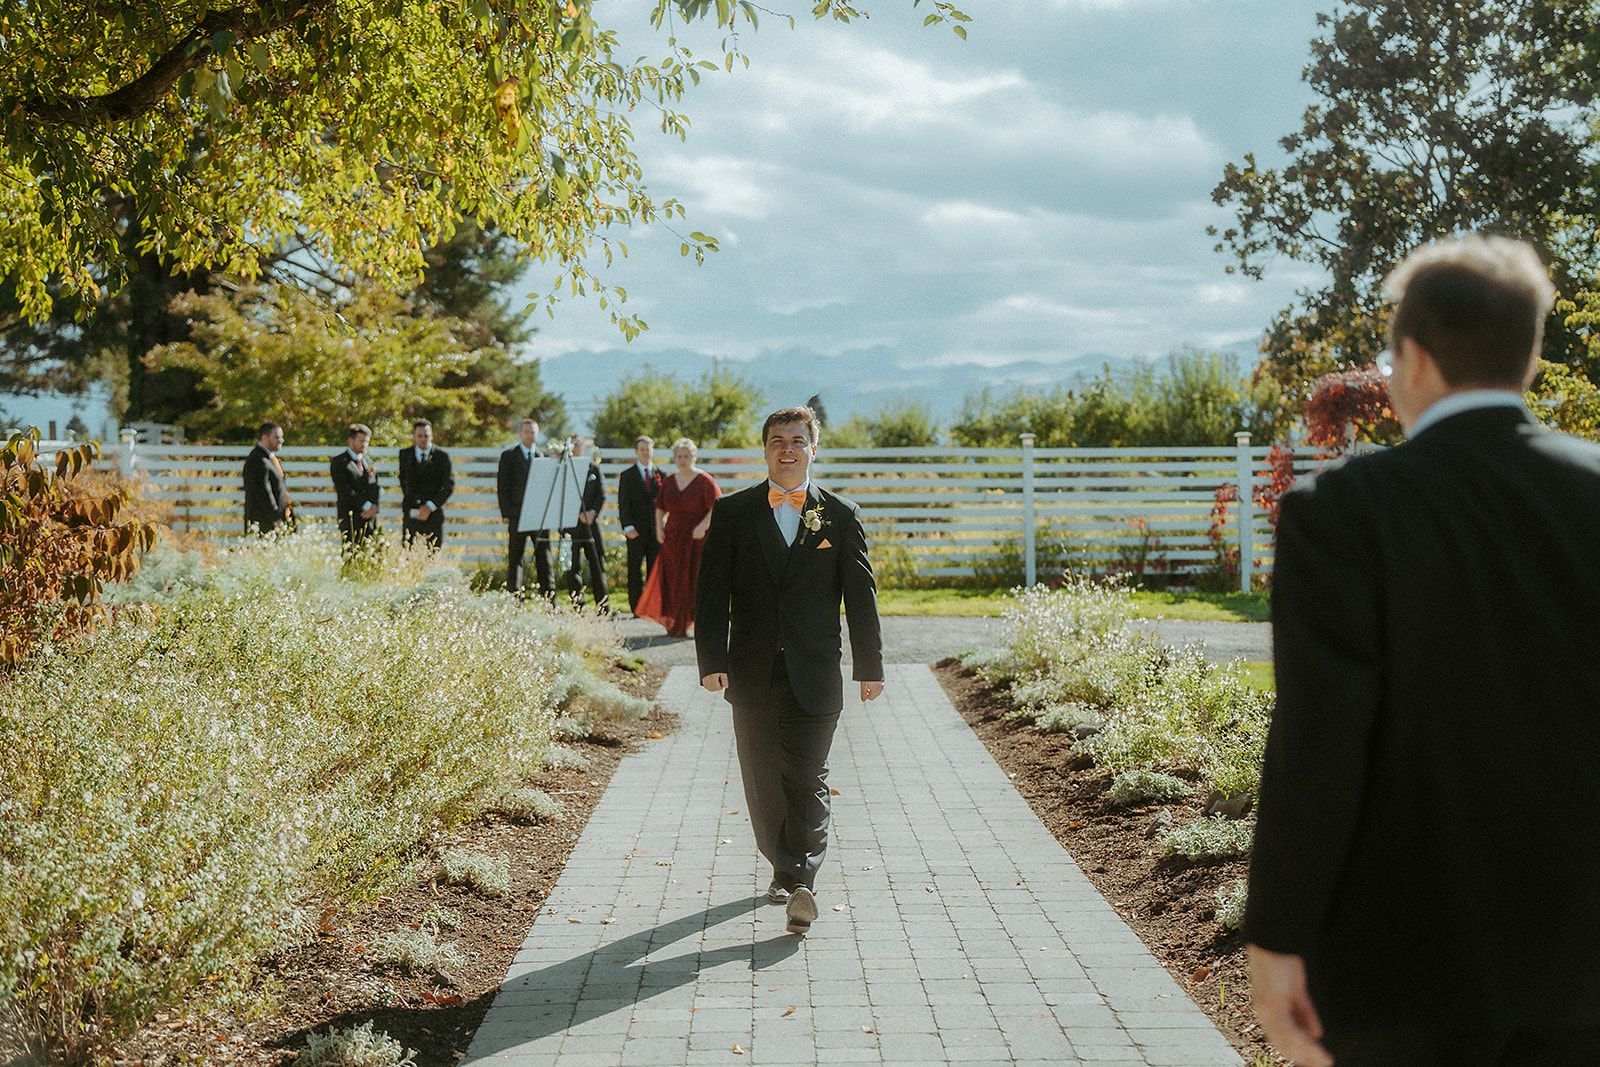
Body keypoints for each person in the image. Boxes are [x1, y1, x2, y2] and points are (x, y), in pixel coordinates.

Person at [1246, 235, 1600, 1067]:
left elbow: (1319, 743)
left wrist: (1277, 936)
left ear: (1411, 358)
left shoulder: (1340, 513)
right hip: (1585, 964)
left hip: (1398, 970)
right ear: (1530, 359)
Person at [694, 407, 884, 936]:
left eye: (798, 440)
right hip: (751, 671)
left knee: (808, 775)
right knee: (762, 779)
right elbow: (711, 594)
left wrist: (870, 667)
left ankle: (802, 880)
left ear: (813, 449)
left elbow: (861, 597)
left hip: (815, 672)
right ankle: (785, 867)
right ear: (765, 449)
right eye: (778, 440)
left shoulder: (840, 515)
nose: (787, 449)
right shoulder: (733, 513)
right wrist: (711, 662)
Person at [634, 438, 720, 636]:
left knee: (693, 579)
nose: (683, 460)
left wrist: (702, 527)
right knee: (672, 580)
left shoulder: (705, 480)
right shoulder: (670, 481)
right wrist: (658, 527)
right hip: (672, 539)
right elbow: (660, 507)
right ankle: (674, 621)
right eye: (679, 456)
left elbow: (717, 507)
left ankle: (692, 622)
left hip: (696, 538)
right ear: (674, 458)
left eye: (687, 456)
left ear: (694, 457)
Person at [497, 418, 553, 596]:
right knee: (515, 557)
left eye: (533, 432)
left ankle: (548, 596)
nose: (530, 435)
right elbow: (503, 486)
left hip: (539, 515)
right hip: (517, 513)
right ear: (520, 434)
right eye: (527, 432)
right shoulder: (509, 456)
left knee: (543, 556)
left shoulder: (542, 457)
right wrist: (506, 512)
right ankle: (514, 597)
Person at [563, 436, 610, 610]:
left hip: (591, 525)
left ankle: (603, 606)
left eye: (579, 444)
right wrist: (576, 515)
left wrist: (592, 512)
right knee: (572, 567)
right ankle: (577, 606)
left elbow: (602, 494)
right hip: (571, 526)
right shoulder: (564, 468)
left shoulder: (593, 468)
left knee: (597, 564)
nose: (576, 447)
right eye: (573, 444)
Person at [617, 435, 662, 614]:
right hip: (635, 531)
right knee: (634, 570)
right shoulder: (627, 476)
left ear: (653, 451)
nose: (645, 452)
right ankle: (636, 607)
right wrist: (628, 527)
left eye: (648, 448)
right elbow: (623, 503)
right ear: (636, 452)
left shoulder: (662, 475)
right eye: (642, 449)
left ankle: (652, 607)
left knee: (654, 570)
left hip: (656, 532)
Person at [397, 419, 453, 549]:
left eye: (426, 436)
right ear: (414, 436)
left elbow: (448, 486)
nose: (423, 439)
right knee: (409, 551)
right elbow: (403, 480)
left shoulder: (442, 456)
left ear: (431, 436)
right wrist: (415, 503)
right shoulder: (405, 454)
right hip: (411, 513)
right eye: (420, 436)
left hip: (433, 514)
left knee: (433, 552)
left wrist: (429, 506)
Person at [330, 423, 380, 546]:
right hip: (351, 518)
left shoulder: (368, 461)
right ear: (350, 440)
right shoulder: (339, 462)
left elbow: (375, 487)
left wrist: (374, 507)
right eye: (361, 441)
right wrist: (366, 505)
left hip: (370, 519)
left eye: (367, 441)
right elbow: (344, 490)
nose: (364, 444)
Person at [242, 421, 292, 534]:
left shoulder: (269, 459)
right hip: (264, 522)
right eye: (277, 437)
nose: (281, 440)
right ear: (265, 438)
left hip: (273, 520)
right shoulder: (258, 460)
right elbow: (263, 492)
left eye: (281, 437)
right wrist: (276, 518)